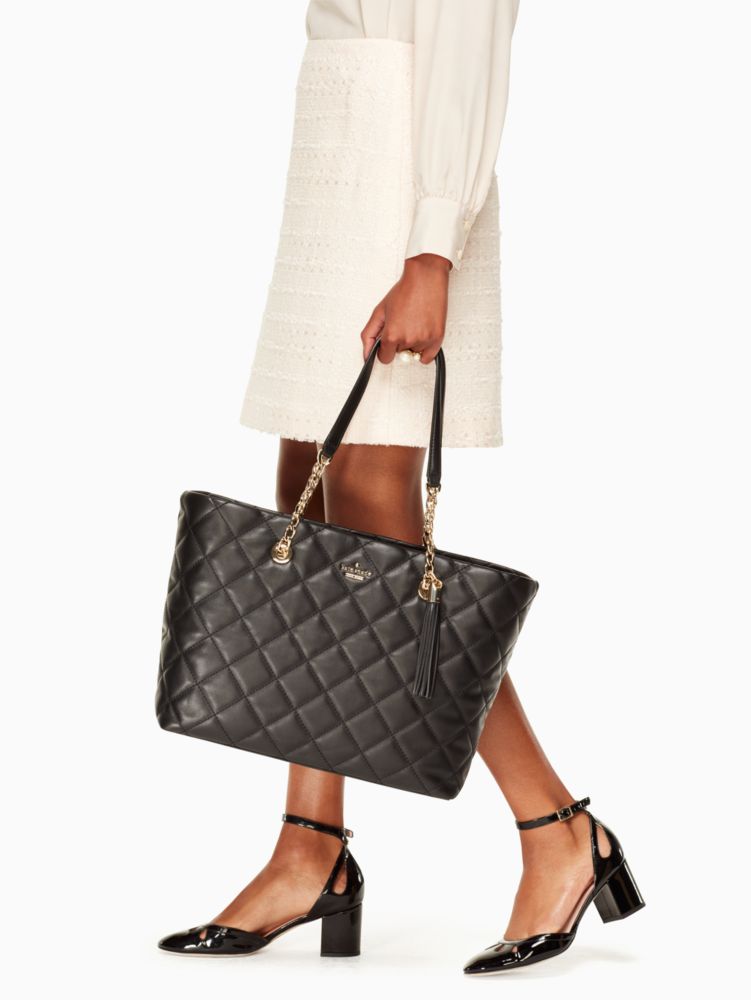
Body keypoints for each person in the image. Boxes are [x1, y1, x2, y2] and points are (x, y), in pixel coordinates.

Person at [157, 0, 645, 973]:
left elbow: (466, 44)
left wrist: (431, 248)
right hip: (337, 169)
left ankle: (557, 826)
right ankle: (310, 847)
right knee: (309, 510)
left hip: (400, 189)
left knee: (377, 527)